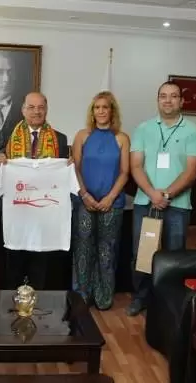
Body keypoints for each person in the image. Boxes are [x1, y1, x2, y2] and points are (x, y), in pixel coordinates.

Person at [127, 81, 196, 316]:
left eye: (173, 96)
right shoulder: (143, 129)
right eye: (163, 96)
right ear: (158, 100)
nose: (168, 100)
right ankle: (141, 297)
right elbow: (135, 165)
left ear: (181, 101)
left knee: (174, 257)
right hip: (145, 203)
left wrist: (167, 194)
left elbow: (193, 170)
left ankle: (169, 302)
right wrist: (153, 194)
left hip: (177, 205)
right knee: (142, 254)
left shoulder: (192, 131)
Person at [0, 92, 70, 290]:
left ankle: (39, 301)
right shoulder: (8, 135)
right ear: (23, 110)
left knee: (42, 261)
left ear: (47, 109)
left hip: (45, 212)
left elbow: (63, 175)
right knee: (14, 260)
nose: (36, 112)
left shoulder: (60, 139)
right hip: (18, 211)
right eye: (31, 107)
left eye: (41, 107)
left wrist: (69, 166)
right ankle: (13, 301)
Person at [71, 91, 130, 310]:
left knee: (107, 250)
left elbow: (124, 172)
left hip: (111, 203)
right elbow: (75, 168)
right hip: (84, 201)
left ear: (112, 111)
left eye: (105, 107)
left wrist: (110, 197)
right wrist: (84, 195)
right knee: (83, 248)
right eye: (97, 107)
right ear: (92, 111)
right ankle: (81, 295)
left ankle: (103, 296)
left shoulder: (122, 138)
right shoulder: (82, 135)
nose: (101, 111)